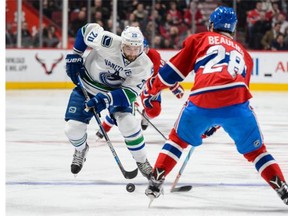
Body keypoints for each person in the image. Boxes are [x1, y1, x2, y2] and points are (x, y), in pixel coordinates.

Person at [144, 6, 288, 206]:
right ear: (233, 29)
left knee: (177, 140)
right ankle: (283, 188)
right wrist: (217, 122)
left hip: (201, 99)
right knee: (257, 152)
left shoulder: (200, 39)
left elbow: (171, 73)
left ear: (211, 25)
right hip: (237, 103)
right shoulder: (245, 54)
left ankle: (155, 181)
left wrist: (153, 88)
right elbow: (238, 92)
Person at [64, 24, 154, 180]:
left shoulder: (144, 65)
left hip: (116, 94)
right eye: (128, 48)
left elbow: (130, 93)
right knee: (72, 128)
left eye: (136, 49)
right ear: (122, 45)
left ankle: (142, 161)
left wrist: (105, 100)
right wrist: (76, 55)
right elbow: (85, 30)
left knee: (129, 125)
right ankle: (81, 149)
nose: (132, 53)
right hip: (88, 85)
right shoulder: (108, 41)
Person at [95, 38, 185, 138]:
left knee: (154, 110)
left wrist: (174, 86)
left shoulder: (154, 57)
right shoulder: (127, 56)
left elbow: (164, 75)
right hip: (132, 84)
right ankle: (105, 127)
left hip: (150, 86)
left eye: (143, 49)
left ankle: (146, 116)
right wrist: (131, 98)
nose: (135, 53)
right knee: (122, 107)